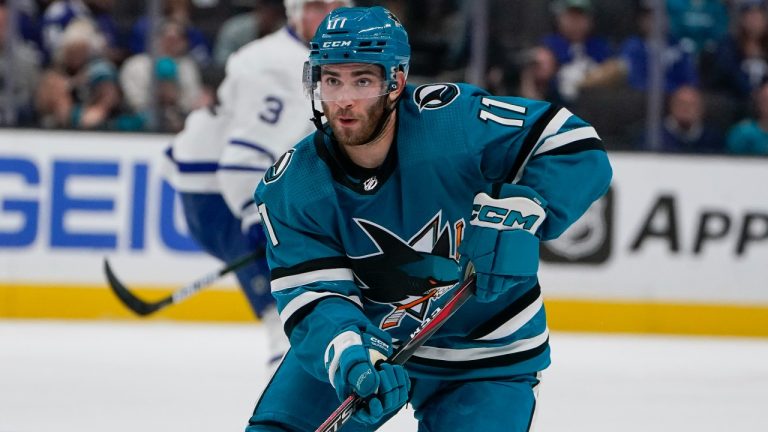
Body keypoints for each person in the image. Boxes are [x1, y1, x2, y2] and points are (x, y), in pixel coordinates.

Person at [247, 6, 612, 432]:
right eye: (332, 79)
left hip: (485, 350)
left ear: (396, 82)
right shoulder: (293, 187)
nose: (343, 99)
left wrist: (532, 207)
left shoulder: (453, 124)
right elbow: (314, 298)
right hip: (367, 341)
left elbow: (572, 143)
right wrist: (351, 354)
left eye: (362, 80)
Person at [162, 0, 350, 365]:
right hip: (219, 190)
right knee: (285, 308)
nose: (330, 14)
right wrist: (252, 213)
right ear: (295, 13)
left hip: (253, 183)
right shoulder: (270, 64)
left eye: (338, 4)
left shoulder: (331, 59)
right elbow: (243, 160)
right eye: (316, 6)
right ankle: (288, 389)